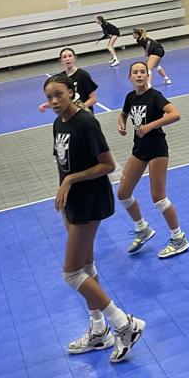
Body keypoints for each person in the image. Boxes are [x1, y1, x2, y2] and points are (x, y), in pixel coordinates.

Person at [45, 73, 144, 363]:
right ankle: (99, 331)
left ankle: (124, 323)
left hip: (90, 200)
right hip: (73, 201)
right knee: (87, 266)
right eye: (49, 97)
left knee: (71, 273)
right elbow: (65, 165)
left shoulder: (86, 123)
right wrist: (64, 188)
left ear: (71, 92)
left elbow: (108, 165)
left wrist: (70, 180)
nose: (54, 101)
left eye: (59, 94)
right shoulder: (58, 123)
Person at [116, 60, 189, 259]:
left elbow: (175, 114)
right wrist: (121, 124)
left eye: (143, 72)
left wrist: (149, 126)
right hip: (139, 150)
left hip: (157, 149)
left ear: (148, 76)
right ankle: (142, 229)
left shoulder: (155, 96)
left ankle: (179, 238)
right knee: (123, 193)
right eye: (135, 72)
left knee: (158, 197)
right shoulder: (130, 97)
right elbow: (123, 115)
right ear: (129, 77)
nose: (139, 75)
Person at [39, 48, 99, 114]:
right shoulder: (61, 78)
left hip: (83, 114)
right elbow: (59, 99)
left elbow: (93, 99)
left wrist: (79, 109)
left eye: (70, 56)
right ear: (61, 61)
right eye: (64, 57)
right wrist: (46, 105)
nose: (67, 59)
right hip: (69, 114)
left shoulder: (83, 75)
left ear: (74, 58)